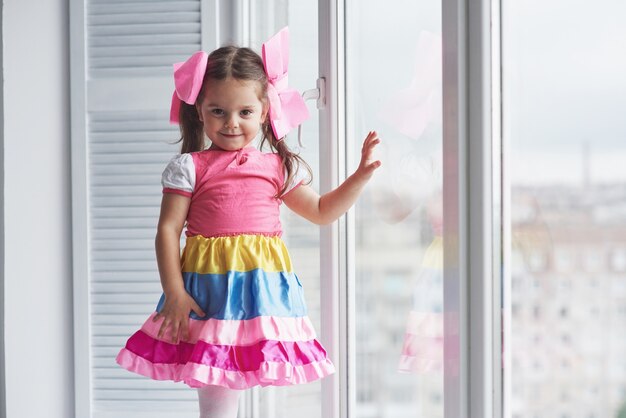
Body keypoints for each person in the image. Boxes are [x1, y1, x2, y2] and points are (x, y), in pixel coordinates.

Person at [115, 27, 381, 418]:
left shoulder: (277, 167)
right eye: (217, 111)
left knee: (252, 368)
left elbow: (322, 210)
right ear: (200, 110)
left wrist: (358, 177)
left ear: (265, 112)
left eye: (245, 112)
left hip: (261, 289)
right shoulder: (189, 168)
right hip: (209, 288)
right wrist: (173, 292)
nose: (231, 123)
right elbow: (168, 230)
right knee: (214, 377)